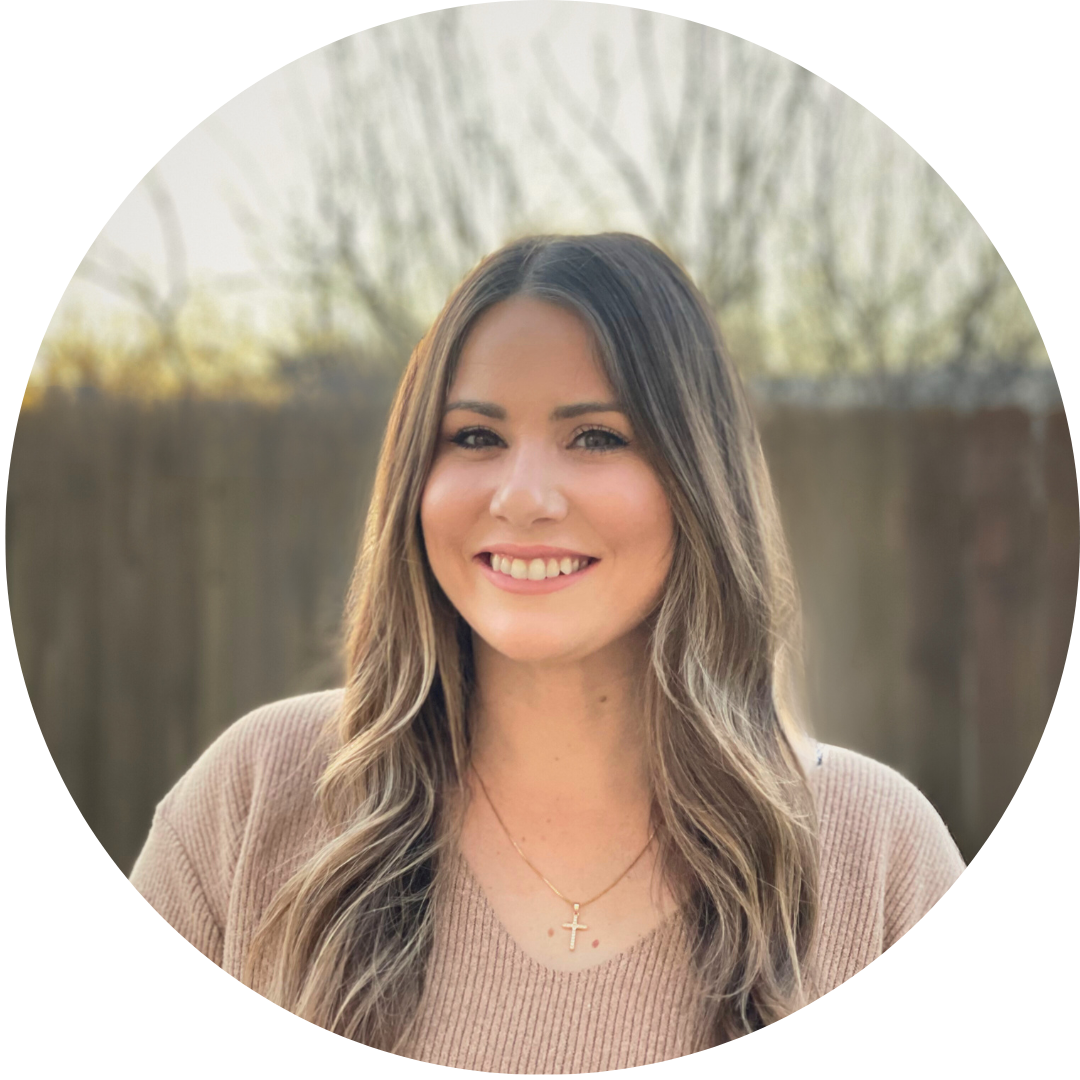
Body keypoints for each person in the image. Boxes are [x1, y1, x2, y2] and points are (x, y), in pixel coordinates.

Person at [129, 233, 973, 1078]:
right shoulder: (252, 806)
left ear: (699, 481)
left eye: (596, 437)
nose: (523, 497)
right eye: (474, 437)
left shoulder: (879, 861)